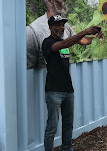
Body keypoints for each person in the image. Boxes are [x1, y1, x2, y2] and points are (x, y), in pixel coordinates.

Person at [42, 15, 101, 151]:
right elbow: (64, 44)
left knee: (68, 124)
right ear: (50, 28)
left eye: (63, 24)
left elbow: (83, 41)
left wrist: (95, 38)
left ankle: (66, 148)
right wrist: (84, 31)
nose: (61, 27)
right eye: (58, 25)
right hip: (54, 91)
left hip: (68, 90)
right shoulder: (48, 43)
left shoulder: (65, 41)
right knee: (52, 127)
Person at [26, 0, 92, 70]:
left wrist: (97, 37)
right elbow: (28, 70)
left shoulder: (65, 25)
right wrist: (85, 31)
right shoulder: (32, 31)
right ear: (50, 1)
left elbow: (81, 40)